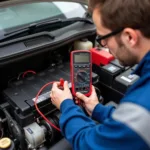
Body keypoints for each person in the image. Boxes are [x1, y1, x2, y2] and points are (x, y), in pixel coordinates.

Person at [50, 0, 150, 149]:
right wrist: (97, 109)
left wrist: (66, 105)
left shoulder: (142, 104)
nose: (104, 46)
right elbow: (129, 126)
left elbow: (87, 144)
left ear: (129, 37)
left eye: (103, 38)